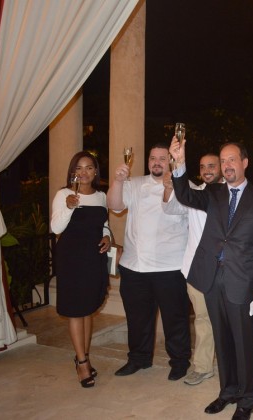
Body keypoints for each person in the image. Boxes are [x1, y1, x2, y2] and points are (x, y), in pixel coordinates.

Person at [170, 137, 253, 420]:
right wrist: (179, 163)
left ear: (244, 162)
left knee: (243, 343)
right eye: (223, 160)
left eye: (232, 160)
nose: (227, 165)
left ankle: (248, 398)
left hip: (242, 282)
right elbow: (184, 195)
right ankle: (227, 392)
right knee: (222, 339)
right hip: (212, 279)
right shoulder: (213, 193)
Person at [107, 143, 191, 381]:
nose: (157, 162)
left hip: (170, 266)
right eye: (153, 158)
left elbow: (180, 210)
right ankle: (138, 359)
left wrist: (171, 187)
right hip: (135, 266)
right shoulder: (134, 184)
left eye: (162, 158)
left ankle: (179, 362)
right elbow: (114, 206)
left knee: (175, 319)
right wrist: (118, 180)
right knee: (137, 319)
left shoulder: (186, 186)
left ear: (171, 161)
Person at [162, 153, 223, 386]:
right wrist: (169, 187)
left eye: (211, 165)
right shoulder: (193, 193)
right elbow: (171, 209)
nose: (207, 170)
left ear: (221, 167)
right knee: (203, 319)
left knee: (228, 322)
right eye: (202, 166)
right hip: (196, 270)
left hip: (226, 270)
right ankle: (203, 367)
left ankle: (234, 368)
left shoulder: (233, 193)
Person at [51, 151, 110, 388]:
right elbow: (56, 228)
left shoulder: (101, 196)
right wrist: (68, 206)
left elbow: (103, 224)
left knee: (88, 309)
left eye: (88, 168)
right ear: (72, 172)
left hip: (93, 259)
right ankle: (82, 362)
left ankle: (81, 356)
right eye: (79, 168)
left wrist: (106, 237)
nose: (83, 172)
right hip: (72, 259)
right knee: (77, 310)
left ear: (95, 171)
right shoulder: (64, 194)